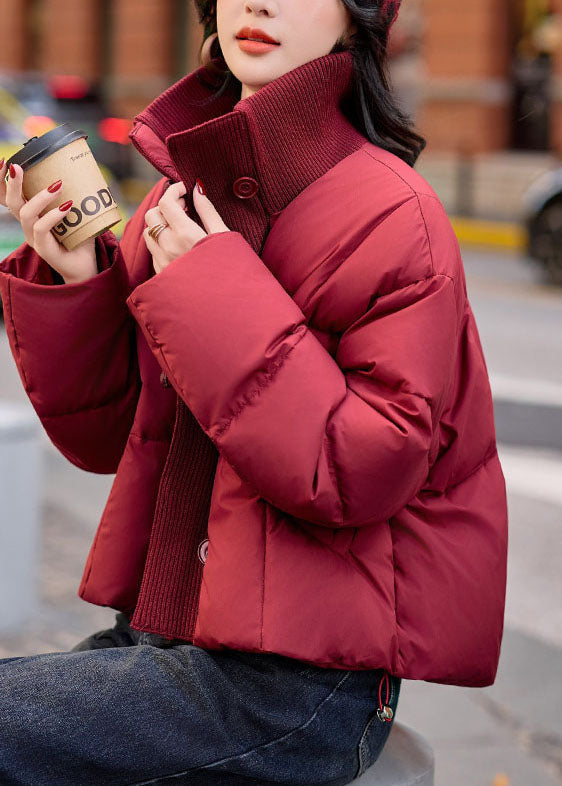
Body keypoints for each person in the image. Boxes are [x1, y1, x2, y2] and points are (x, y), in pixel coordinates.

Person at [0, 0, 508, 783]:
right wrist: (77, 281)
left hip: (297, 689)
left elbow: (363, 468)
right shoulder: (179, 194)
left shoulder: (393, 213)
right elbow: (106, 439)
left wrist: (213, 298)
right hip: (159, 636)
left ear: (357, 17)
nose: (260, 2)